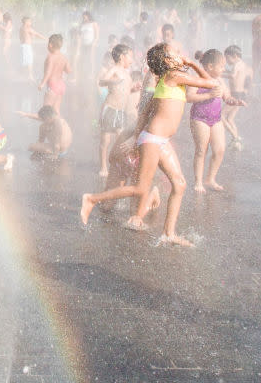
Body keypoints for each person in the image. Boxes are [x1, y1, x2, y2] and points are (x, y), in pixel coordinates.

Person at [80, 43, 218, 245]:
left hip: (159, 140)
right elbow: (211, 83)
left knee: (179, 184)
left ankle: (169, 234)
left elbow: (146, 111)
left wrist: (136, 137)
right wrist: (191, 63)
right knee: (139, 189)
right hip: (153, 139)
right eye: (175, 53)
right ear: (167, 61)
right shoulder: (173, 75)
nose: (180, 55)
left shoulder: (168, 80)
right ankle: (91, 199)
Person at [186, 49, 247, 193]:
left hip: (216, 119)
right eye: (221, 66)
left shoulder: (219, 80)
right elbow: (189, 97)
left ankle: (210, 179)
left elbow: (227, 97)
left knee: (220, 150)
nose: (224, 69)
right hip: (199, 118)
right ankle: (198, 182)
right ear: (210, 67)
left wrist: (235, 101)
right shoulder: (198, 79)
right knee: (202, 150)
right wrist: (209, 95)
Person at [97, 44, 133, 176]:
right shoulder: (115, 69)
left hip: (121, 111)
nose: (132, 60)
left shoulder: (127, 74)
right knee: (105, 140)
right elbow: (102, 81)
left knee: (121, 139)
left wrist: (135, 88)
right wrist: (111, 82)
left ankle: (119, 164)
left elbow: (126, 91)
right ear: (122, 57)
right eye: (130, 56)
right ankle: (103, 166)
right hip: (110, 108)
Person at [222, 45, 250, 150]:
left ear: (234, 55)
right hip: (240, 94)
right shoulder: (241, 64)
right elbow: (234, 74)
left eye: (227, 57)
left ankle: (236, 138)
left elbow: (233, 75)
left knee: (221, 116)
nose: (226, 60)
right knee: (230, 118)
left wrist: (220, 75)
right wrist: (224, 71)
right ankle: (237, 144)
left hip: (235, 95)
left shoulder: (237, 64)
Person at [39, 34, 72, 114]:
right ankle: (59, 125)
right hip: (61, 85)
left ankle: (49, 126)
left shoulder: (50, 57)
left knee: (46, 111)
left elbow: (48, 72)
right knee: (56, 110)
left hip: (52, 86)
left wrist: (42, 83)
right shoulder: (63, 57)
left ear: (50, 45)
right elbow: (69, 70)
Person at [77, 11, 99, 80]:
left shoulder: (94, 23)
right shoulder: (82, 24)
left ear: (88, 16)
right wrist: (78, 45)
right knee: (83, 58)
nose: (83, 18)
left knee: (91, 59)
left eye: (84, 16)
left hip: (91, 44)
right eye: (82, 17)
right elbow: (80, 35)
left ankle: (92, 74)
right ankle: (84, 73)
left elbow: (97, 35)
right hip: (83, 44)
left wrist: (94, 43)